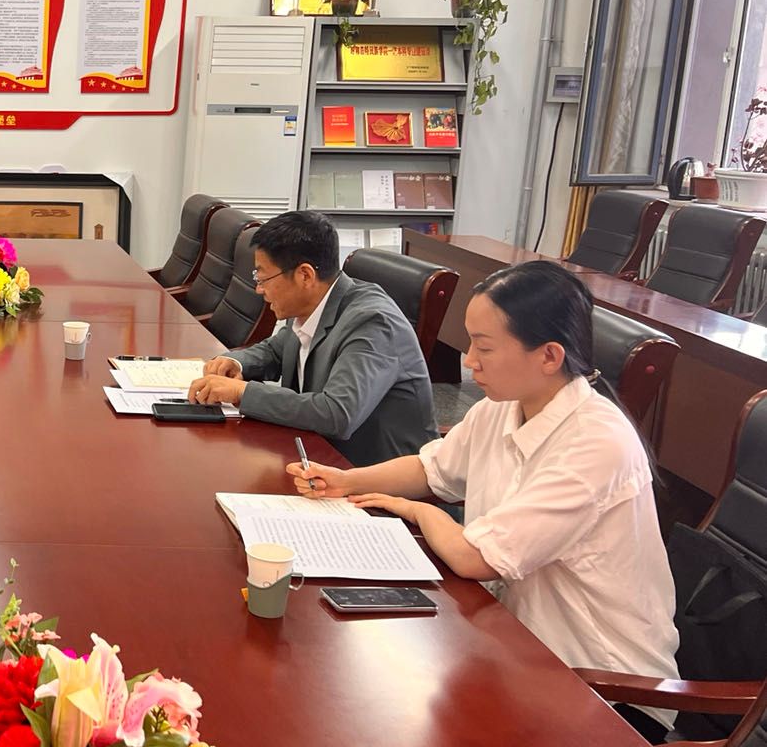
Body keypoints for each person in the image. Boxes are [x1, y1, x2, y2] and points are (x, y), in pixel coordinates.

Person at [289, 261, 679, 707]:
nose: (469, 360)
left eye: (484, 347)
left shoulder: (596, 443)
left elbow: (476, 558)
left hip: (599, 685)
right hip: (509, 642)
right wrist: (344, 481)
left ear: (549, 356)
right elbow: (432, 469)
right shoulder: (503, 405)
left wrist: (419, 510)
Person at [187, 210, 436, 465]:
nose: (259, 289)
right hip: (315, 456)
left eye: (264, 278)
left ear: (305, 275)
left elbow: (336, 414)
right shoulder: (312, 304)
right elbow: (276, 350)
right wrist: (235, 363)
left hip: (371, 474)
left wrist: (242, 393)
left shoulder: (373, 322)